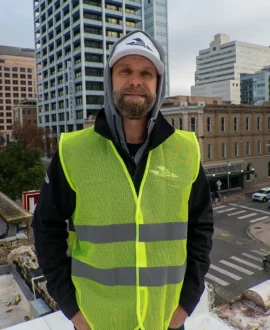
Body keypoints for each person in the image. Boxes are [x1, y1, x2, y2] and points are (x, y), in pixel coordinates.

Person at [32, 30, 214, 330]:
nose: (135, 81)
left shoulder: (186, 149)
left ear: (158, 83)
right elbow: (46, 229)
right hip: (98, 321)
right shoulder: (73, 150)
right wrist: (71, 308)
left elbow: (201, 228)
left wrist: (186, 303)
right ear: (110, 79)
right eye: (125, 71)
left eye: (146, 73)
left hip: (165, 320)